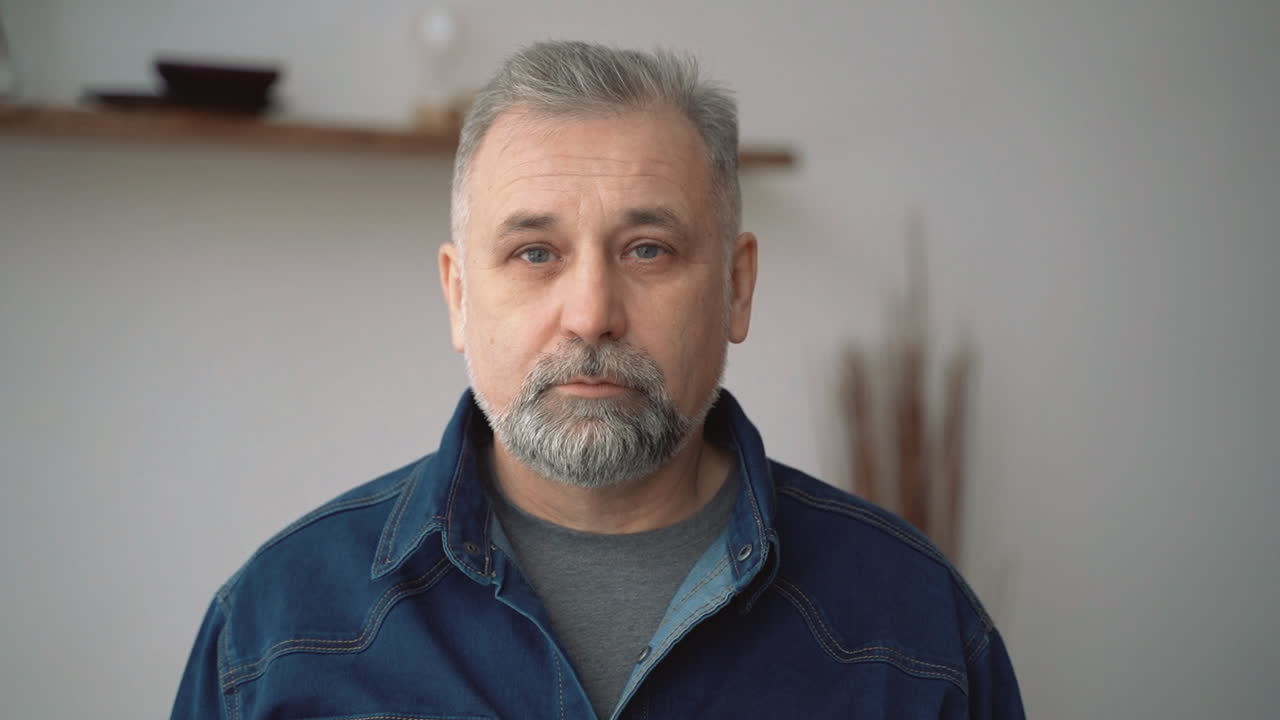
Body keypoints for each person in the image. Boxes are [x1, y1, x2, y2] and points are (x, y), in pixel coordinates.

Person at [172, 41, 1024, 720]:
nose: (590, 314)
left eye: (647, 250)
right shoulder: (276, 631)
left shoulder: (914, 627)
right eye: (534, 253)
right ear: (459, 296)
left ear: (737, 286)